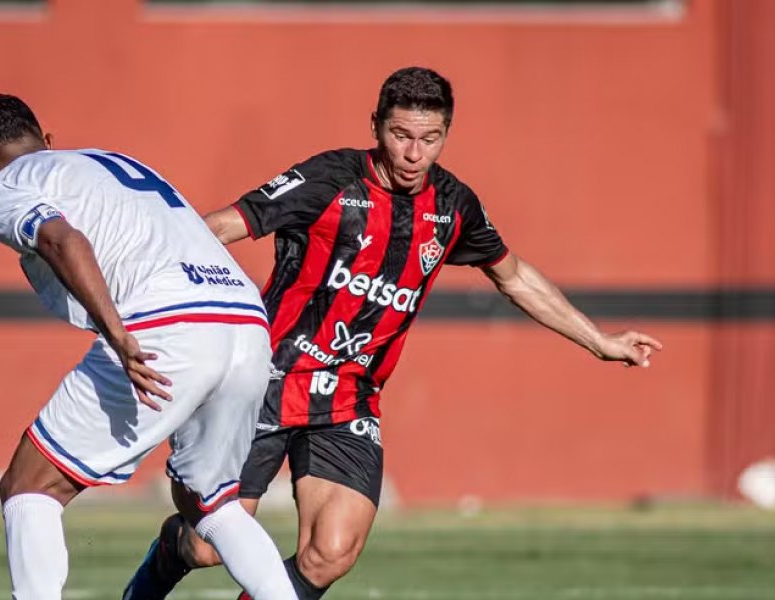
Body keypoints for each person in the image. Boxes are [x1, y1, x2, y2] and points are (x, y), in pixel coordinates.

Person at [123, 67, 663, 600]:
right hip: (263, 384)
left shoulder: (453, 206)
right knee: (208, 547)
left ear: (446, 135)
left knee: (330, 553)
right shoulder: (328, 180)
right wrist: (144, 291)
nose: (413, 154)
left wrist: (600, 341)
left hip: (349, 399)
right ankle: (162, 562)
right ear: (376, 126)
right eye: (400, 136)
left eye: (429, 140)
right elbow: (219, 227)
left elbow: (513, 274)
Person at [0, 94, 298, 600]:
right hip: (246, 324)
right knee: (210, 503)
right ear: (47, 139)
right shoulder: (110, 161)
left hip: (170, 328)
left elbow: (62, 241)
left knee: (30, 486)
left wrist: (118, 335)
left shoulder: (8, 184)